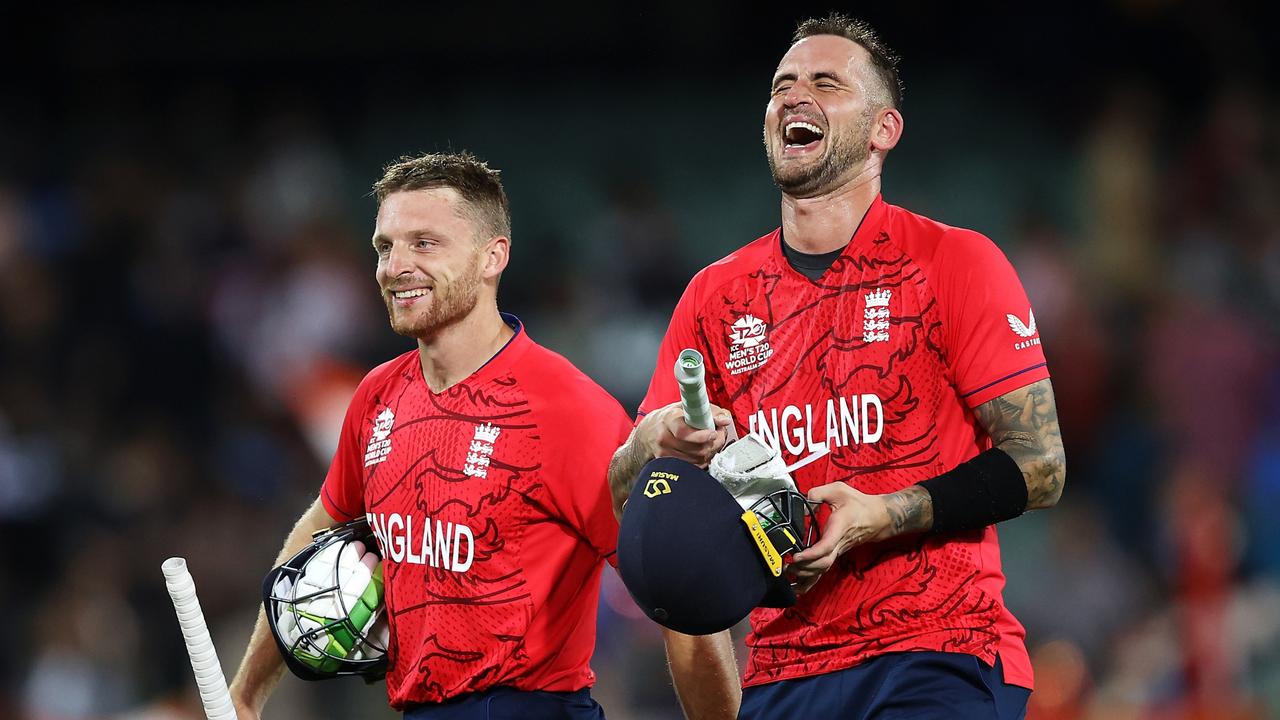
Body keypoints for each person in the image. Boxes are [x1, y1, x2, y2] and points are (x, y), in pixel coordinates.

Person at [608, 13, 1065, 720]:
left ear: (884, 129)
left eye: (826, 82)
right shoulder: (715, 297)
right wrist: (655, 438)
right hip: (783, 671)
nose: (795, 96)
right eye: (781, 84)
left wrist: (879, 515)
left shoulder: (954, 262)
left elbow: (1041, 466)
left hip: (937, 649)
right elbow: (626, 499)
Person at [229, 152, 633, 719]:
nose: (396, 266)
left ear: (494, 257)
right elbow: (322, 523)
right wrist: (245, 695)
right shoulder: (376, 395)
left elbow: (667, 580)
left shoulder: (571, 410)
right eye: (385, 247)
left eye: (424, 243)